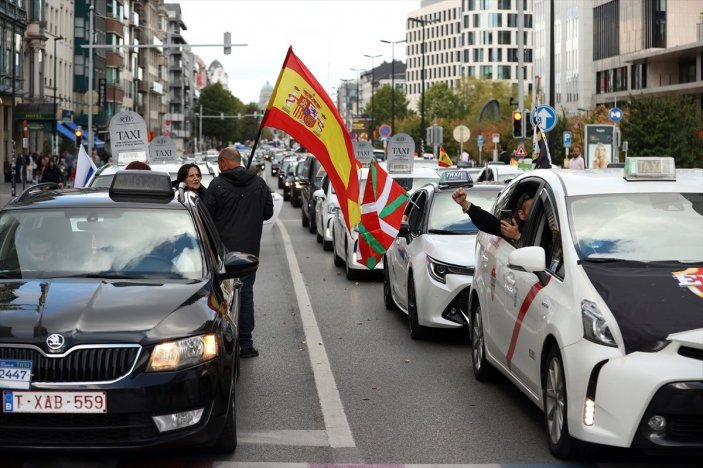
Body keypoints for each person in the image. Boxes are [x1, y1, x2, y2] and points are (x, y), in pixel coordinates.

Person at [204, 147, 273, 358]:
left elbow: (205, 216)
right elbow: (268, 213)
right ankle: (246, 343)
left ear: (225, 162)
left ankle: (224, 343)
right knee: (246, 294)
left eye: (219, 162)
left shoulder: (217, 185)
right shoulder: (259, 183)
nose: (218, 166)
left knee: (220, 297)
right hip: (249, 254)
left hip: (222, 254)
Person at [452, 188, 533, 242]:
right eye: (533, 209)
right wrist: (464, 203)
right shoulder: (512, 229)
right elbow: (488, 222)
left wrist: (518, 236)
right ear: (522, 214)